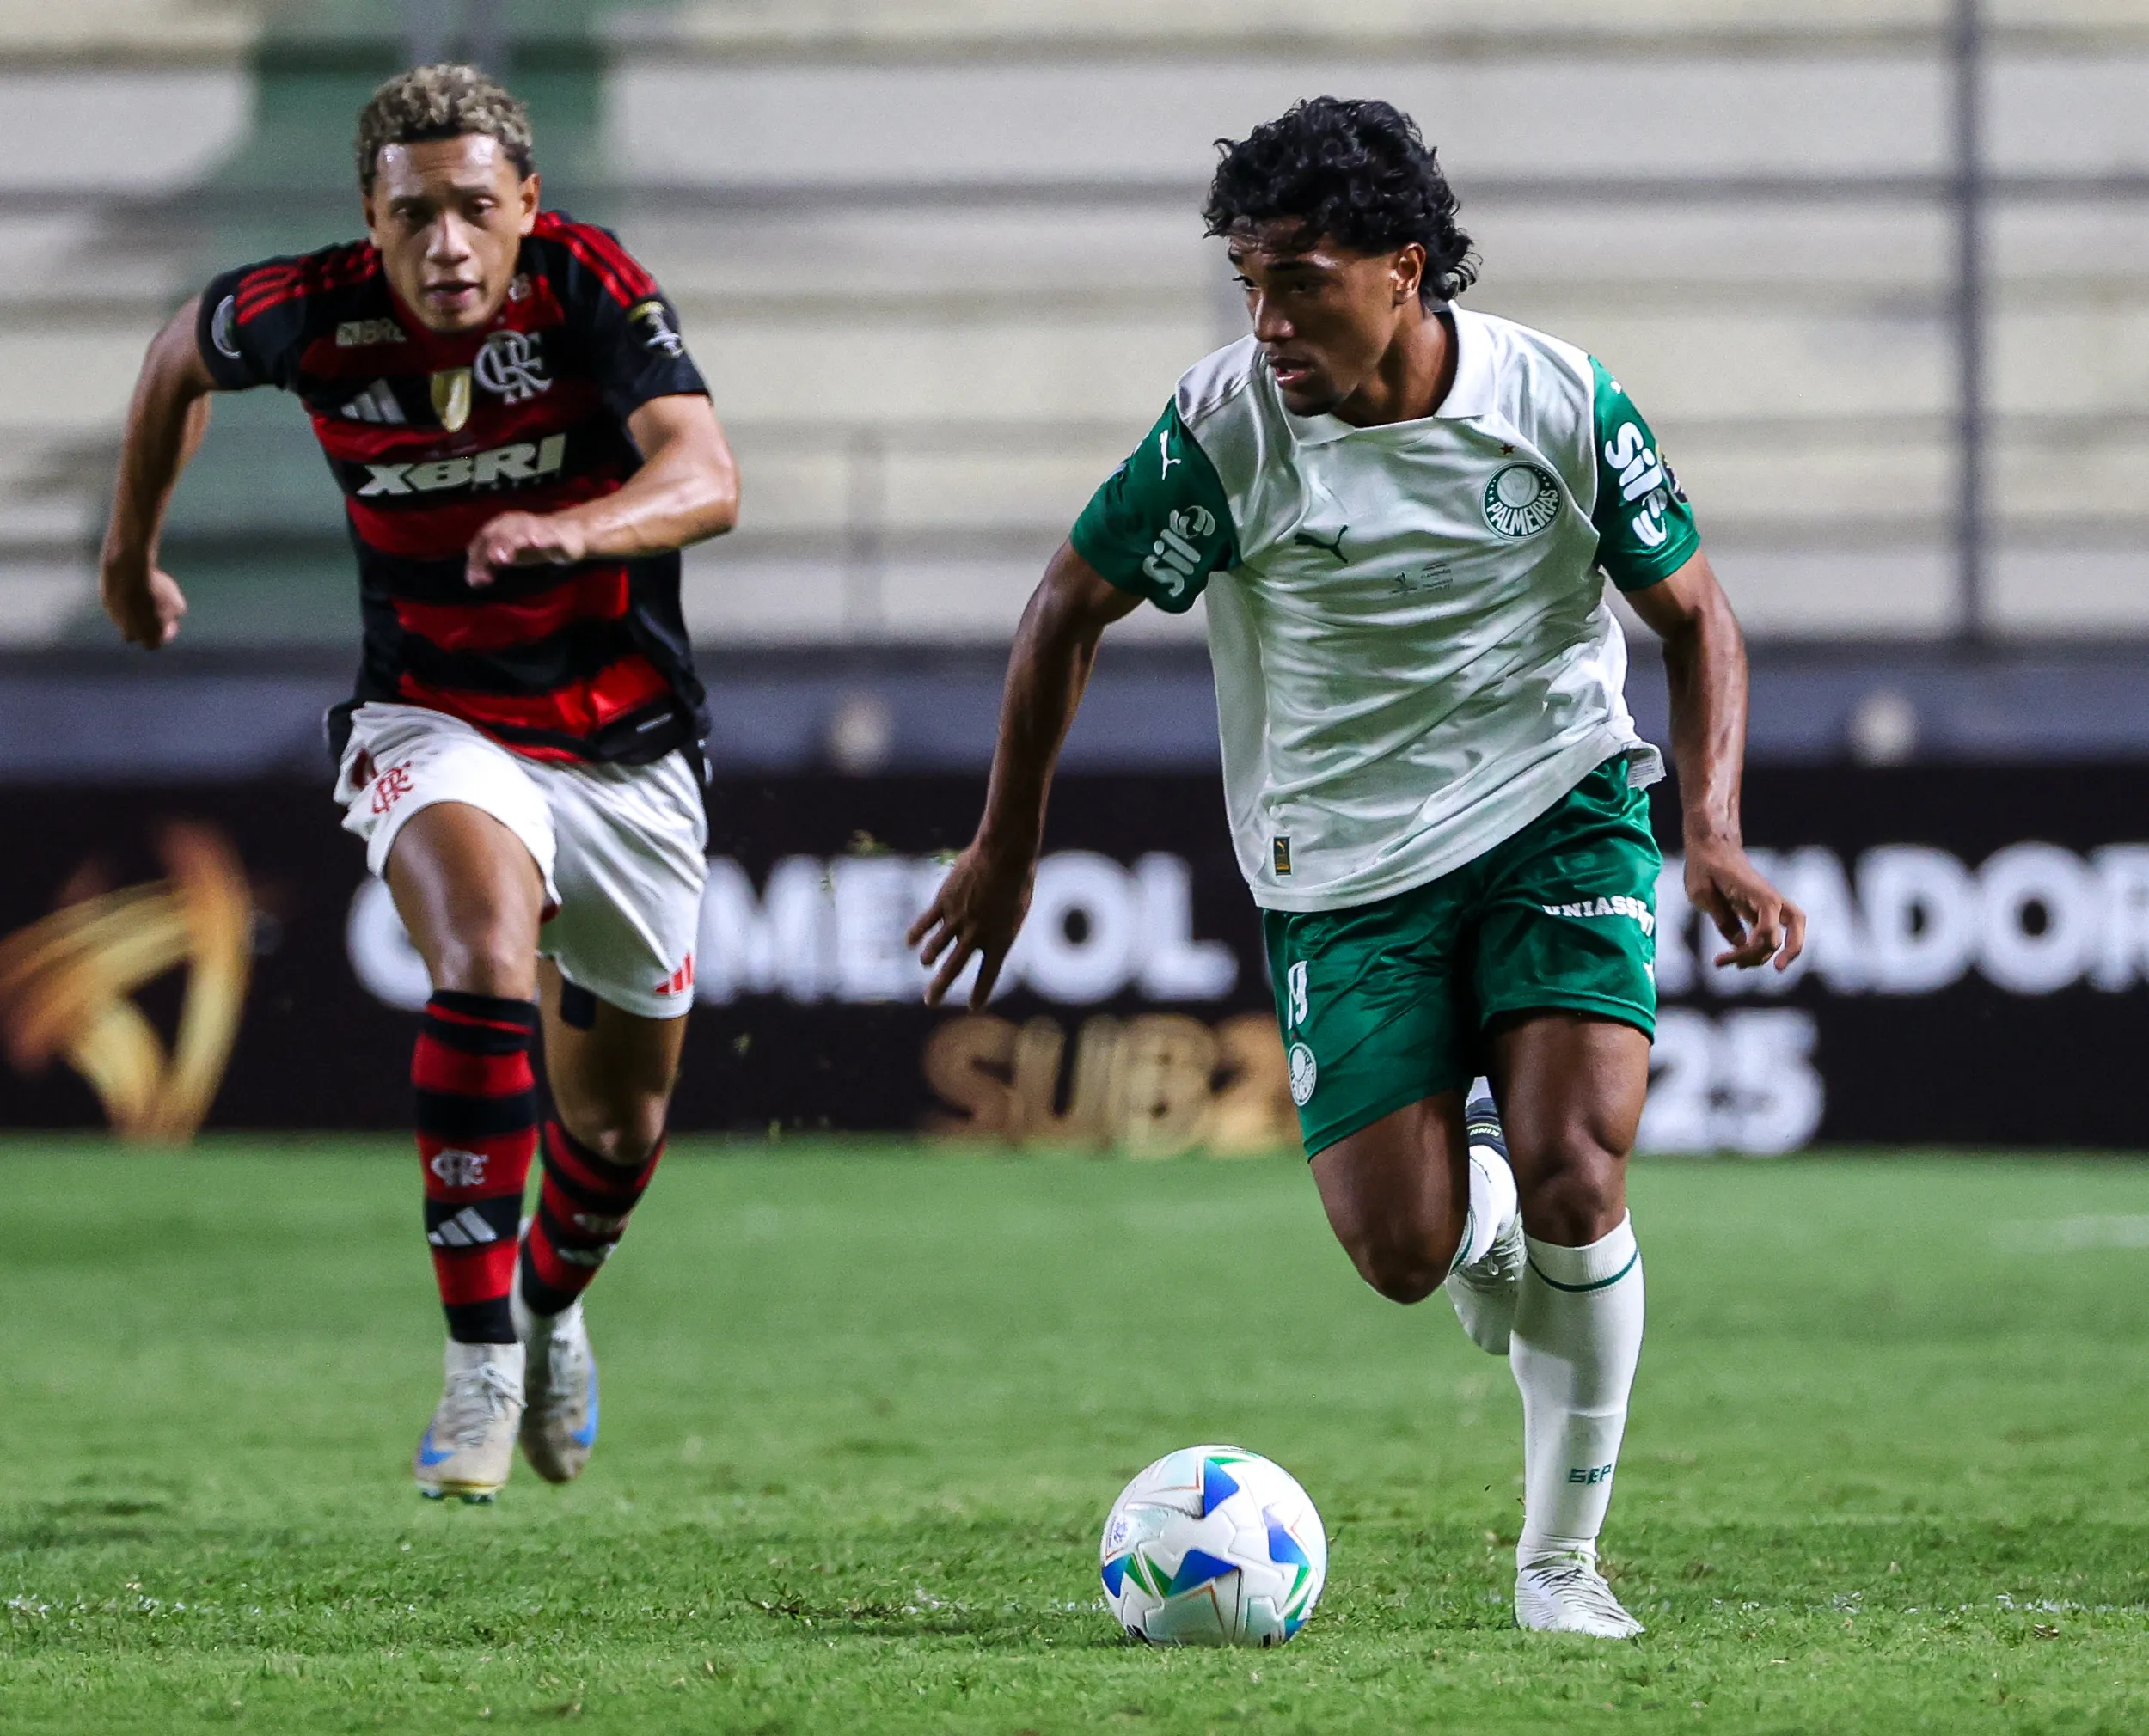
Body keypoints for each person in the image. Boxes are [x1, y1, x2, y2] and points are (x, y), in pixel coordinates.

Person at [909, 97, 1804, 1637]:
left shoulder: (1560, 402)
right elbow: (1065, 607)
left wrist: (1709, 826)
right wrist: (1004, 847)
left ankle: (1559, 1565)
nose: (1267, 321)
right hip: (1341, 861)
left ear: (1405, 268)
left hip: (1558, 799)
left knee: (1585, 1175)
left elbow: (1696, 619)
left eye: (1299, 282)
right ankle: (1485, 1212)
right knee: (1402, 1255)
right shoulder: (1227, 433)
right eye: (1247, 281)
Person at [97, 65, 739, 1502]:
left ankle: (551, 1310)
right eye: (411, 216)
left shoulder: (590, 287)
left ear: (525, 207)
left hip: (628, 742)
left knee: (622, 1123)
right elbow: (170, 363)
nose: (444, 244)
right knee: (481, 956)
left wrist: (580, 534)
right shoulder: (309, 309)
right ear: (367, 222)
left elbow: (706, 475)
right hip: (435, 720)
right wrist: (126, 553)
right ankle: (475, 1365)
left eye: (471, 210)